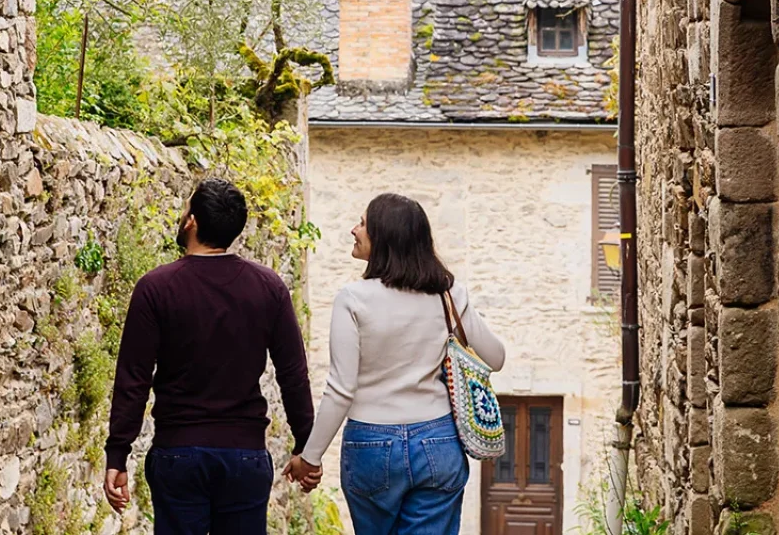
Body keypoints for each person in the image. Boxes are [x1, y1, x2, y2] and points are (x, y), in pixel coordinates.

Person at [103, 178, 317, 534]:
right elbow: (293, 374)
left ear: (192, 222)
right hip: (244, 456)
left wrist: (117, 454)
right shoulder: (268, 287)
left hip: (178, 454)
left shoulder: (156, 288)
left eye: (186, 207)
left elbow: (133, 379)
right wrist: (306, 448)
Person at [284, 193, 506, 535]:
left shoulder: (353, 300)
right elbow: (496, 357)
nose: (353, 230)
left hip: (372, 445)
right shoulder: (448, 293)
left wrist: (310, 457)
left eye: (362, 224)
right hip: (438, 441)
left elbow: (341, 390)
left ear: (385, 237)